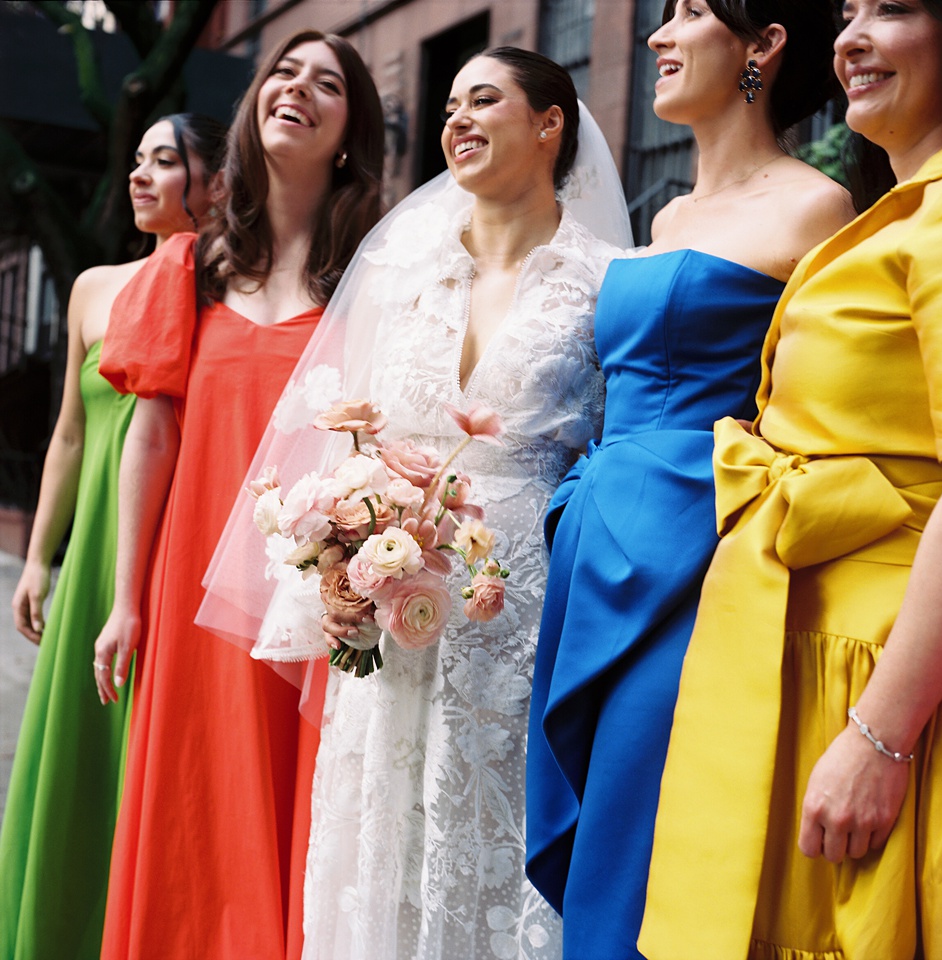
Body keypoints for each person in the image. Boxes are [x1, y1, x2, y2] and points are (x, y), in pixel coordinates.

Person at [200, 46, 633, 960]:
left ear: (550, 125)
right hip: (396, 614)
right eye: (448, 106)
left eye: (485, 100)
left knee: (501, 841)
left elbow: (617, 452)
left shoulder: (604, 283)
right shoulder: (400, 271)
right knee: (380, 840)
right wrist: (338, 554)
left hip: (528, 616)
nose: (458, 121)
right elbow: (340, 436)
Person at [524, 3, 854, 958]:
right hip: (595, 542)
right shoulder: (664, 213)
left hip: (693, 555)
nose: (662, 37)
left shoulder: (815, 207)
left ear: (763, 45)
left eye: (691, 14)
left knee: (645, 825)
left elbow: (807, 405)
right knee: (597, 831)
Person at [637, 2, 942, 958]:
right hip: (797, 654)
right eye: (846, 13)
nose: (850, 36)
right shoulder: (896, 212)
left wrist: (882, 735)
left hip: (878, 673)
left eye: (890, 9)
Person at [91, 32, 383, 960]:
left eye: (326, 82)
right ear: (258, 105)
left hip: (308, 595)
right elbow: (153, 433)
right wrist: (127, 601)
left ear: (348, 132)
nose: (297, 88)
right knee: (188, 803)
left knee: (292, 814)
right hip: (189, 592)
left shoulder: (373, 285)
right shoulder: (193, 268)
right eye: (284, 73)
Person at [0, 114, 224, 960]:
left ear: (216, 185)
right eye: (137, 161)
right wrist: (37, 558)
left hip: (176, 550)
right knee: (77, 746)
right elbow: (67, 433)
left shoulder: (229, 290)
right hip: (95, 550)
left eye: (165, 163)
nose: (139, 177)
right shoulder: (94, 284)